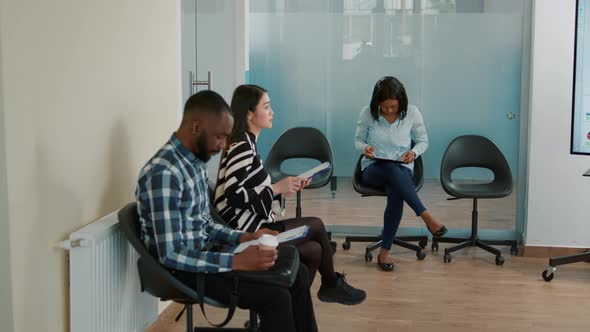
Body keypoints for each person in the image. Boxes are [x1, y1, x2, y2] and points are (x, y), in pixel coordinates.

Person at [136, 90, 318, 332]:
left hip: (208, 253)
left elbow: (204, 222)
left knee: (299, 273)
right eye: (220, 137)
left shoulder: (194, 163)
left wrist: (243, 237)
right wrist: (235, 261)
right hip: (184, 270)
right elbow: (171, 255)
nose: (223, 145)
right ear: (196, 127)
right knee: (277, 296)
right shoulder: (164, 173)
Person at [214, 84, 366, 305]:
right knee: (315, 225)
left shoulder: (248, 144)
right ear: (249, 113)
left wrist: (286, 186)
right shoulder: (241, 147)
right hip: (247, 234)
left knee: (314, 250)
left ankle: (290, 311)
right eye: (266, 107)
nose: (272, 111)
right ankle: (330, 285)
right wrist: (277, 188)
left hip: (254, 226)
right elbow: (235, 195)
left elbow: (251, 190)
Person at [354, 76, 448, 272]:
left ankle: (384, 252)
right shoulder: (367, 113)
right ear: (377, 103)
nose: (389, 111)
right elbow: (358, 141)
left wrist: (414, 152)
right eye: (385, 107)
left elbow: (423, 141)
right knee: (391, 172)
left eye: (393, 107)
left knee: (396, 187)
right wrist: (365, 148)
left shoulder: (412, 113)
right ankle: (426, 216)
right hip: (373, 168)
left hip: (401, 167)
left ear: (401, 102)